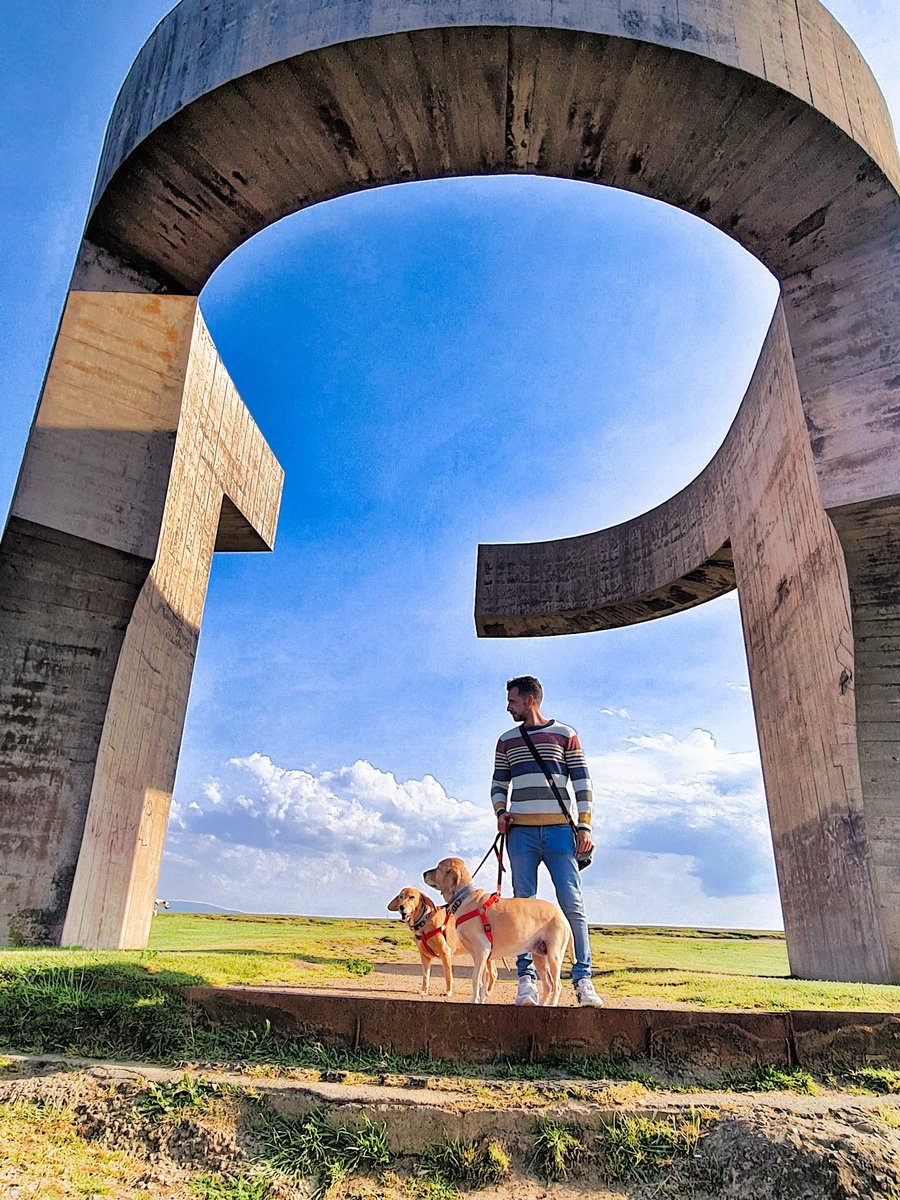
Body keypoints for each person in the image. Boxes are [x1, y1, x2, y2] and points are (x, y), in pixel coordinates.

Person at [491, 675, 603, 1007]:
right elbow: (499, 783)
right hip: (520, 833)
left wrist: (585, 827)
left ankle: (583, 981)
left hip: (559, 832)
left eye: (512, 701)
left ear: (530, 700)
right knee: (521, 907)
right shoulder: (505, 740)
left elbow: (583, 783)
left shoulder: (566, 735)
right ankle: (527, 982)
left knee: (572, 904)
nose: (507, 706)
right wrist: (500, 811)